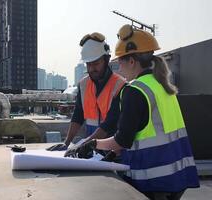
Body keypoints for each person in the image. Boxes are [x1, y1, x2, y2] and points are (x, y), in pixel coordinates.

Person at [65, 25, 200, 199]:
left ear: (132, 61)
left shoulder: (134, 90)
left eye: (120, 60)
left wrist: (92, 144)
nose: (118, 66)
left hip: (152, 178)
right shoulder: (162, 85)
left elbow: (122, 140)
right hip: (176, 176)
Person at [47, 32, 126, 151]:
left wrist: (82, 145)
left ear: (106, 60)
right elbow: (78, 116)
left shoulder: (120, 85)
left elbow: (109, 124)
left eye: (96, 64)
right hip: (91, 148)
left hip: (112, 149)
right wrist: (67, 143)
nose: (91, 69)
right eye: (88, 64)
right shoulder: (84, 85)